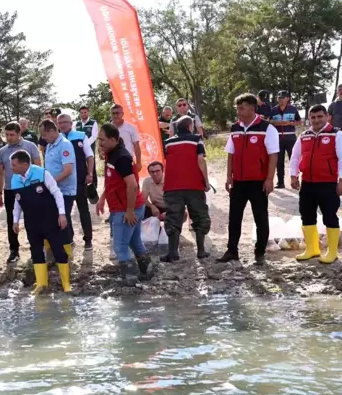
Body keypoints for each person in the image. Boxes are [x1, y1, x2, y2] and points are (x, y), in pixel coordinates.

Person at [218, 93, 279, 265]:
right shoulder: (235, 128)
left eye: (241, 108)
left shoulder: (267, 128)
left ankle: (259, 253)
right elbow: (231, 153)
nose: (238, 112)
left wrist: (269, 179)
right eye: (238, 108)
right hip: (238, 182)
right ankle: (232, 251)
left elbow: (273, 155)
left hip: (258, 182)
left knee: (260, 217)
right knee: (234, 217)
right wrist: (229, 176)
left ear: (252, 109)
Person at [96, 123, 151, 285]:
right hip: (127, 206)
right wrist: (102, 198)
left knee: (120, 246)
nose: (100, 143)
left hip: (127, 208)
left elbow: (132, 185)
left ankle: (130, 279)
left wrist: (129, 211)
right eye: (99, 140)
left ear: (113, 140)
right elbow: (114, 181)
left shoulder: (121, 157)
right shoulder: (111, 153)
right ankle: (146, 269)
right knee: (134, 241)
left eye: (102, 140)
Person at [10, 150, 70, 293]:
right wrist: (15, 221)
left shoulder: (42, 173)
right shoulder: (15, 179)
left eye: (14, 165)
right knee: (36, 251)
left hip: (49, 220)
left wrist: (62, 214)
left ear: (24, 164)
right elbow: (17, 203)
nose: (11, 168)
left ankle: (66, 283)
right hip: (31, 222)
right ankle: (42, 284)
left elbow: (57, 193)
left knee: (58, 250)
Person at [290, 105, 342, 264]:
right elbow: (295, 157)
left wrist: (341, 181)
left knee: (330, 217)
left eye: (320, 116)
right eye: (313, 117)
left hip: (328, 184)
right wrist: (293, 176)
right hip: (307, 184)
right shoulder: (304, 136)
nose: (316, 120)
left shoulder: (337, 134)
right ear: (309, 119)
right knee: (306, 216)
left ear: (327, 117)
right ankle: (312, 249)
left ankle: (332, 252)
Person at [161, 116, 211, 262]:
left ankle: (173, 253)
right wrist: (206, 182)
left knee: (173, 218)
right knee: (199, 216)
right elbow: (201, 160)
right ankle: (201, 251)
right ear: (190, 126)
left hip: (172, 186)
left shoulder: (167, 142)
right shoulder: (196, 139)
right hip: (194, 185)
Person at [0, 122, 42, 263]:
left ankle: (36, 249)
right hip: (10, 190)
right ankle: (14, 250)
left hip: (29, 188)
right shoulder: (3, 151)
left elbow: (38, 167)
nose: (9, 138)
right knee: (11, 220)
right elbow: (0, 173)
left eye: (12, 135)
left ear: (19, 133)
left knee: (33, 219)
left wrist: (38, 188)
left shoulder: (30, 146)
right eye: (7, 134)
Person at [57, 113, 95, 249]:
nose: (62, 125)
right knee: (65, 211)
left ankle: (88, 240)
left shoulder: (81, 136)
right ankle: (69, 238)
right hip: (63, 182)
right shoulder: (57, 139)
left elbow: (90, 157)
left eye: (64, 122)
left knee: (83, 210)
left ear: (71, 122)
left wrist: (90, 173)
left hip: (80, 180)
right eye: (59, 123)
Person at [40, 119, 75, 257]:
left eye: (44, 134)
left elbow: (68, 170)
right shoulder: (49, 145)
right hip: (53, 191)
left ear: (52, 131)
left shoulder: (65, 145)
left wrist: (51, 182)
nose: (43, 138)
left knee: (62, 220)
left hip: (65, 190)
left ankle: (66, 253)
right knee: (52, 220)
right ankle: (55, 250)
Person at [271, 90, 302, 188]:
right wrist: (277, 123)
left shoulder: (293, 109)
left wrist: (290, 123)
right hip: (278, 138)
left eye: (282, 97)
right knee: (279, 161)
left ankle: (296, 181)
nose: (280, 99)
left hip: (290, 137)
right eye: (279, 97)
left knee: (294, 159)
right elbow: (269, 121)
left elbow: (299, 121)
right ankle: (280, 182)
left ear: (287, 98)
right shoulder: (273, 110)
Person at [110, 104, 142, 171]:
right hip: (111, 162)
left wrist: (138, 162)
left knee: (131, 181)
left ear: (122, 114)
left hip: (127, 161)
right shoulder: (106, 129)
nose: (115, 115)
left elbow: (136, 146)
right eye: (113, 113)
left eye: (117, 113)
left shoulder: (131, 128)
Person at [76, 105, 99, 187]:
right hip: (79, 149)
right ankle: (84, 185)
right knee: (82, 167)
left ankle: (94, 186)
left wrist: (85, 144)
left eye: (85, 112)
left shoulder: (93, 123)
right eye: (81, 113)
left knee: (92, 167)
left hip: (90, 148)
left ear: (88, 112)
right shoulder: (77, 124)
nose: (83, 114)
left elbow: (94, 136)